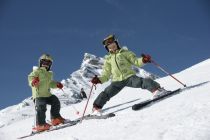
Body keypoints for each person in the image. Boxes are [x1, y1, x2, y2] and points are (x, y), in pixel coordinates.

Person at [90, 34, 169, 115]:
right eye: (109, 47)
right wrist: (99, 79)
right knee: (107, 93)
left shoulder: (125, 53)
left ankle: (157, 90)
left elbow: (136, 61)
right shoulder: (108, 59)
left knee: (141, 82)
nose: (112, 48)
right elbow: (106, 74)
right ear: (107, 49)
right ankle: (96, 108)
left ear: (117, 44)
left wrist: (143, 60)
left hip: (129, 77)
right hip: (116, 81)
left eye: (113, 45)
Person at [28, 54, 66, 132]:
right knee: (41, 108)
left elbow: (50, 83)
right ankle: (40, 124)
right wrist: (33, 81)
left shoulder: (49, 74)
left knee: (55, 100)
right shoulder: (36, 71)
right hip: (39, 95)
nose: (46, 64)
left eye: (48, 63)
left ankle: (55, 118)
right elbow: (30, 78)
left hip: (47, 94)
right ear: (40, 63)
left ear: (50, 65)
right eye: (44, 62)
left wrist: (56, 84)